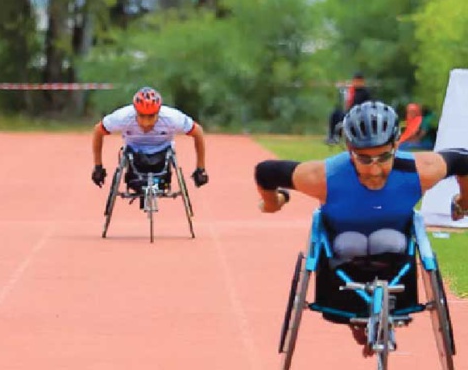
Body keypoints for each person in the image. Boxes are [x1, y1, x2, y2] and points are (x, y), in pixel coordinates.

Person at [254, 100, 468, 350]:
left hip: (394, 247)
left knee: (389, 240)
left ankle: (376, 313)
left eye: (384, 157)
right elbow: (266, 172)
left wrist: (464, 201)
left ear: (396, 145)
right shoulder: (323, 176)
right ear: (349, 149)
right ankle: (359, 317)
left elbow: (463, 161)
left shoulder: (421, 170)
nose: (375, 169)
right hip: (343, 249)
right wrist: (272, 202)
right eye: (364, 159)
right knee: (350, 243)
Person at [91, 86, 209, 195]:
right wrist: (98, 166)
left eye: (151, 116)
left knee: (165, 168)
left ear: (158, 112)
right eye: (141, 116)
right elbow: (98, 131)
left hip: (163, 153)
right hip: (134, 154)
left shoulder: (172, 117)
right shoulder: (123, 117)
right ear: (135, 111)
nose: (146, 123)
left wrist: (200, 168)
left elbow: (197, 131)